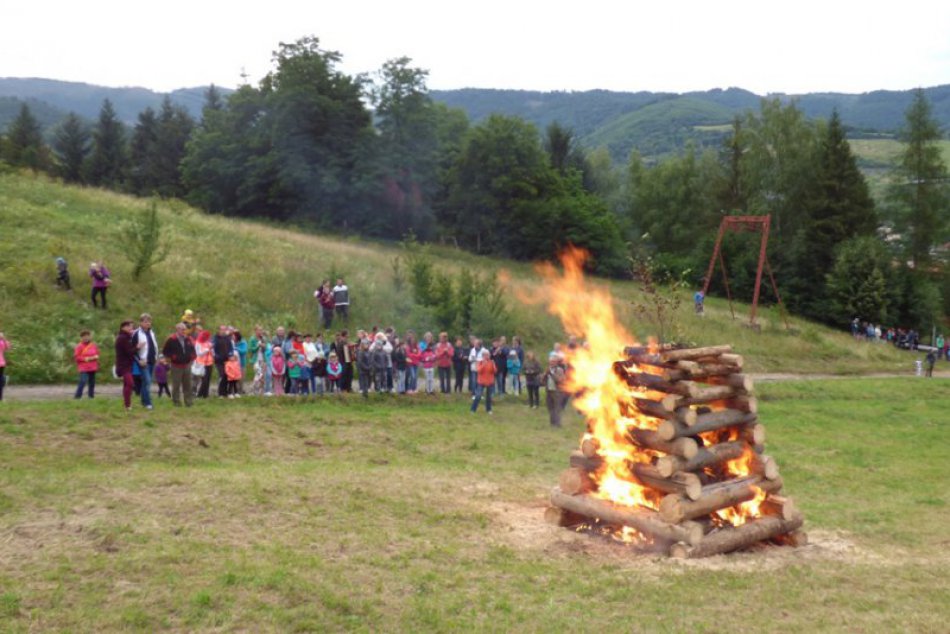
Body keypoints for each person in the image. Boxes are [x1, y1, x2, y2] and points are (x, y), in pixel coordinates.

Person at [162, 322, 196, 407]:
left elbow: (193, 349)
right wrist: (173, 358)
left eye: (185, 329)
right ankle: (176, 402)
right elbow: (165, 351)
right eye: (182, 329)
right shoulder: (171, 339)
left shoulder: (188, 338)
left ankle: (188, 402)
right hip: (176, 366)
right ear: (177, 329)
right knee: (176, 385)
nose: (184, 331)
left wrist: (192, 357)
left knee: (188, 385)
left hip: (187, 365)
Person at [133, 313, 159, 411]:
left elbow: (154, 346)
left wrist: (156, 357)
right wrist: (139, 360)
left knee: (146, 382)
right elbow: (132, 350)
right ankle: (148, 403)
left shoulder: (152, 332)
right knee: (147, 381)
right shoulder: (136, 333)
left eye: (149, 321)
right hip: (144, 362)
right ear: (141, 323)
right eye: (145, 322)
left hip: (152, 360)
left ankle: (144, 401)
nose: (148, 323)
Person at [114, 320, 137, 411]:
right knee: (130, 383)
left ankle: (127, 404)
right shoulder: (122, 338)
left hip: (127, 364)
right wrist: (137, 347)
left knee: (126, 384)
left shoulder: (127, 337)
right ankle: (127, 405)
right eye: (130, 326)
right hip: (123, 365)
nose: (131, 328)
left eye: (132, 327)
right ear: (124, 327)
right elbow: (129, 351)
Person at [542, 353, 567, 427]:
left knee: (557, 408)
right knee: (550, 407)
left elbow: (560, 380)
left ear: (556, 362)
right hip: (549, 390)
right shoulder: (548, 369)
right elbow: (542, 381)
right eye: (550, 361)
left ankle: (558, 423)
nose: (551, 363)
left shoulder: (560, 370)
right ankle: (552, 423)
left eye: (553, 361)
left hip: (557, 392)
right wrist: (545, 375)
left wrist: (552, 374)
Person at [73, 330, 99, 399]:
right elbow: (77, 357)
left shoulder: (93, 345)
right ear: (81, 337)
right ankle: (77, 397)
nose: (86, 338)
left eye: (87, 336)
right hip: (83, 367)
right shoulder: (79, 346)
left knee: (92, 383)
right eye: (84, 336)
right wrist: (87, 359)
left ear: (90, 337)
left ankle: (91, 397)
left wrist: (96, 356)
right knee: (83, 381)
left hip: (92, 367)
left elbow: (97, 353)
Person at [471, 350, 496, 414]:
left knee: (489, 397)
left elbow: (494, 371)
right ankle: (473, 409)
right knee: (478, 396)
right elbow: (479, 371)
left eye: (488, 355)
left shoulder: (491, 362)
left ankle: (489, 409)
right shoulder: (479, 362)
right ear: (483, 356)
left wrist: (493, 365)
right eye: (485, 355)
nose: (487, 356)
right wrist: (483, 365)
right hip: (481, 382)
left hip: (490, 382)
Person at [212, 325, 234, 398]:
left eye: (224, 330)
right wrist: (217, 356)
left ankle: (226, 392)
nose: (223, 331)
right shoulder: (215, 338)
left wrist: (231, 354)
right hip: (219, 361)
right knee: (222, 375)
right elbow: (213, 349)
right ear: (219, 330)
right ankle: (220, 393)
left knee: (227, 375)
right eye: (222, 330)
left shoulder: (227, 338)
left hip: (227, 360)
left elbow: (231, 348)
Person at [194, 330, 214, 398]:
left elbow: (212, 352)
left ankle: (205, 394)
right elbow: (198, 353)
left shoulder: (208, 342)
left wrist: (211, 350)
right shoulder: (198, 343)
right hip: (202, 363)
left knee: (208, 379)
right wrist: (207, 350)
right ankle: (199, 394)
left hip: (209, 362)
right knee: (204, 380)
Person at [0, 331, 7, 402]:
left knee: (1, 379)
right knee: (1, 379)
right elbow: (7, 347)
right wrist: (3, 338)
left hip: (1, 363)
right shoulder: (2, 342)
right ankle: (1, 398)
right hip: (1, 363)